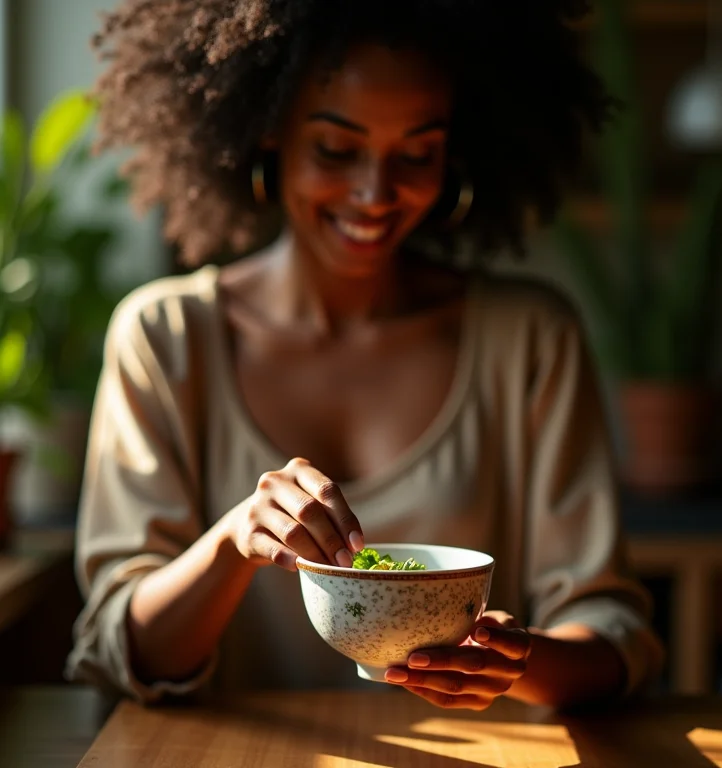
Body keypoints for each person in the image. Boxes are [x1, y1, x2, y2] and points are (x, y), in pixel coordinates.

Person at [66, 0, 664, 711]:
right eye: (335, 148)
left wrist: (516, 663)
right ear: (268, 132)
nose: (375, 193)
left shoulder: (530, 339)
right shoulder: (165, 339)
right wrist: (232, 543)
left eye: (415, 155)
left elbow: (612, 635)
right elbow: (127, 652)